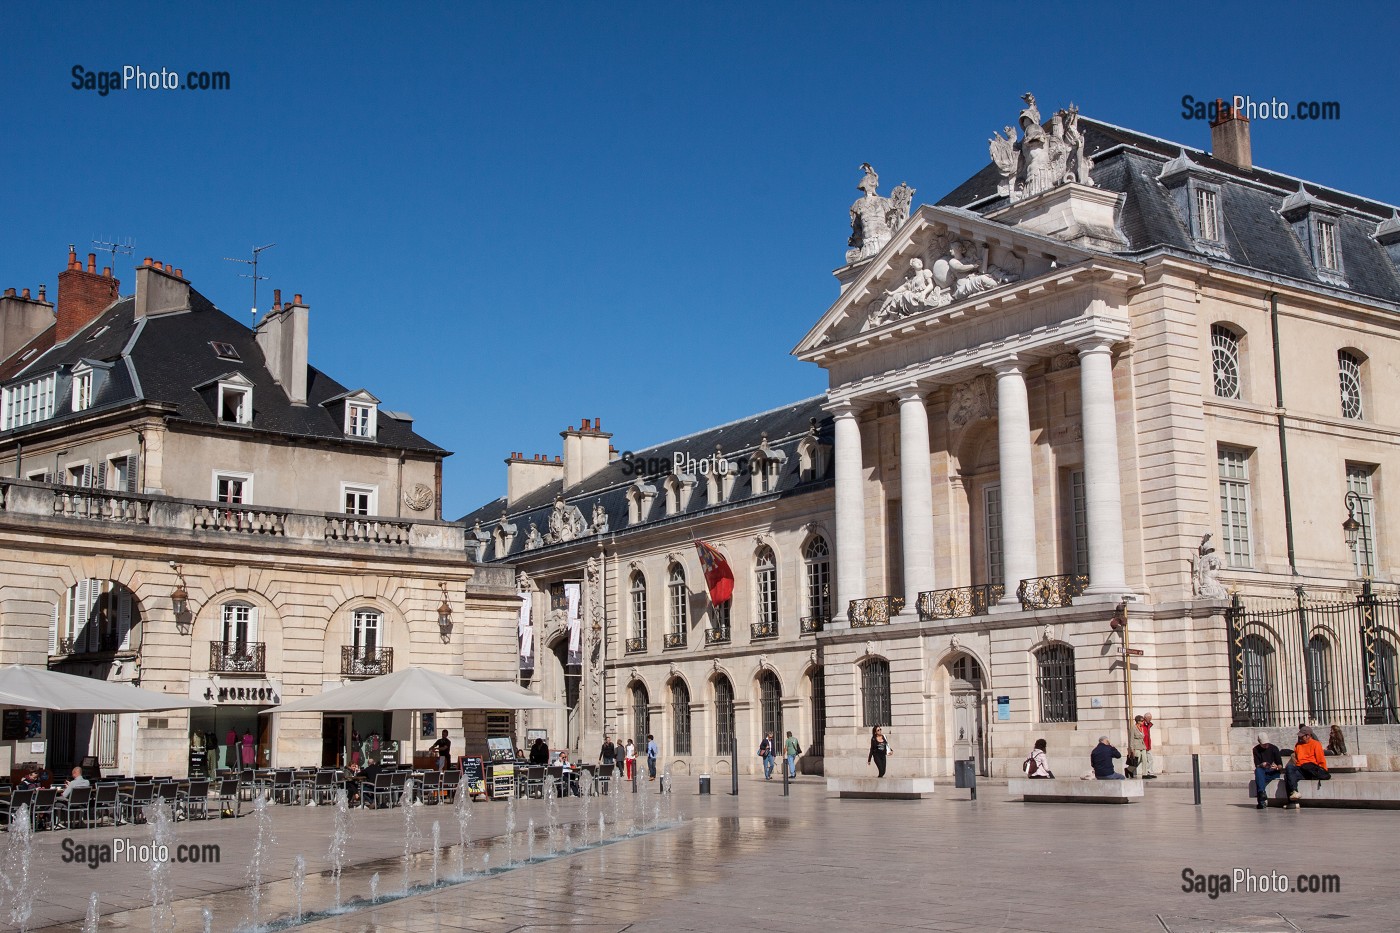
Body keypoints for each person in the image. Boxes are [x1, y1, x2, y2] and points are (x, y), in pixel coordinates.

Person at [1284, 725, 1330, 805]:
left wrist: (1323, 771)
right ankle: (1294, 792)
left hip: (1310, 770)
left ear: (1308, 735)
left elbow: (1321, 759)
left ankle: (1292, 802)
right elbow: (1296, 760)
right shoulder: (1298, 745)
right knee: (1288, 770)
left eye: (1302, 736)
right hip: (1300, 769)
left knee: (1288, 776)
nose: (1300, 738)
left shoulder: (1316, 744)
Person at [1252, 733, 1284, 809]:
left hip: (1273, 772)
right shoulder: (1256, 749)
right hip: (1263, 772)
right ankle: (1262, 793)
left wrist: (1276, 767)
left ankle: (1261, 800)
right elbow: (1257, 765)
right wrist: (1262, 765)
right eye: (1264, 744)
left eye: (1267, 743)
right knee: (1258, 771)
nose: (1266, 745)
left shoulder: (1274, 748)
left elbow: (1280, 766)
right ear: (1259, 743)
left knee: (1259, 779)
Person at [1140, 712, 1157, 778]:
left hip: (1148, 745)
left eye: (1150, 718)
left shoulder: (1148, 724)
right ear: (1145, 718)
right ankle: (1129, 769)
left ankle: (1150, 772)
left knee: (1150, 759)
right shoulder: (1141, 725)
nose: (1150, 719)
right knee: (1139, 760)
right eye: (1149, 718)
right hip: (1143, 745)